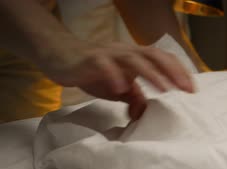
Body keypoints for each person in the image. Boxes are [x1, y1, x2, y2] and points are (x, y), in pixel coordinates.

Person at [0, 0, 206, 123]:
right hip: (26, 30)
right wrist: (62, 49)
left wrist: (186, 62)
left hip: (28, 33)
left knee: (23, 152)